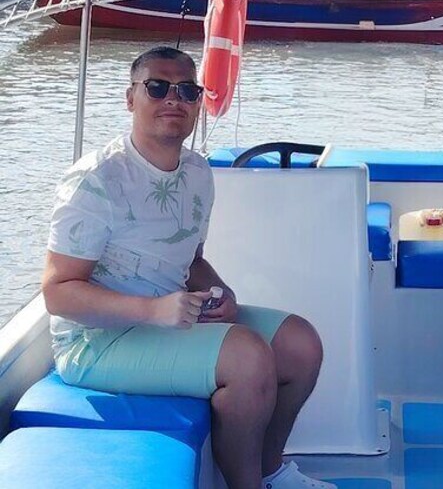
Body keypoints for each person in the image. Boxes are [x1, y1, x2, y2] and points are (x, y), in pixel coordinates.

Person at [41, 46, 335, 489]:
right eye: (157, 87)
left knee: (300, 343)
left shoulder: (197, 172)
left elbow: (191, 260)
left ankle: (271, 471)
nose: (173, 99)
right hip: (96, 342)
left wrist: (223, 293)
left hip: (169, 318)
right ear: (130, 98)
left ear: (198, 102)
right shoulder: (96, 181)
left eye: (187, 90)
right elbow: (58, 291)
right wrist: (153, 310)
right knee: (247, 356)